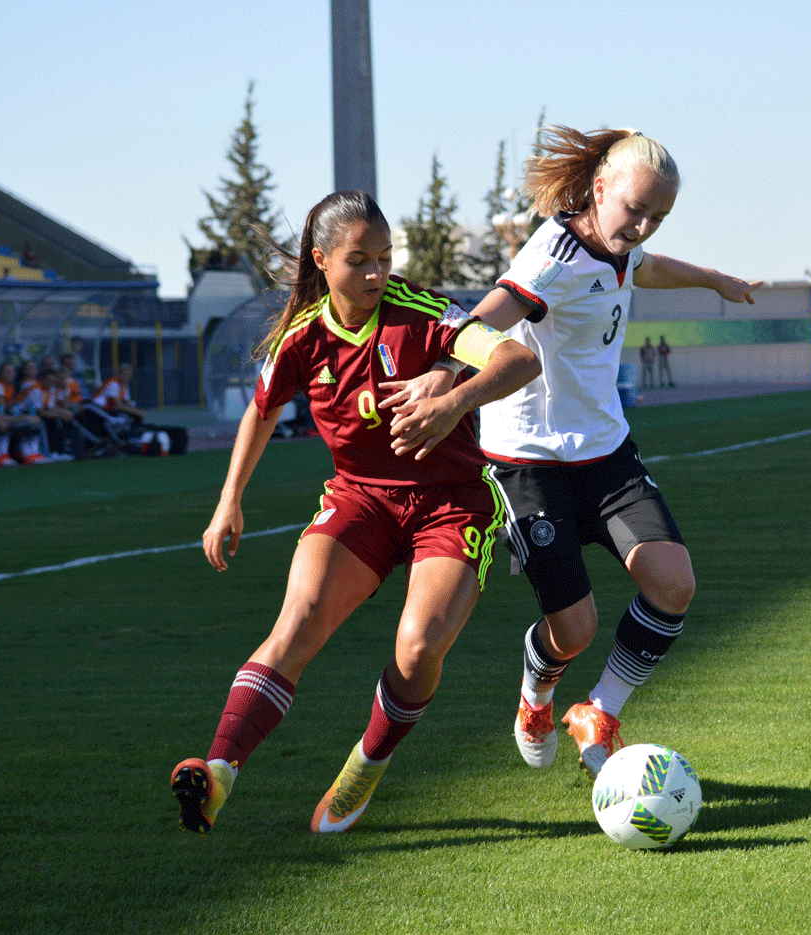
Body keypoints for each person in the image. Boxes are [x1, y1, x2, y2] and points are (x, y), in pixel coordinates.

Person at [169, 190, 539, 836]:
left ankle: (365, 767)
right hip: (360, 499)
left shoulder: (419, 310)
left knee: (419, 644)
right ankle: (220, 772)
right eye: (358, 260)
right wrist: (229, 500)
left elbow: (517, 358)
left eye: (385, 257)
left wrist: (455, 396)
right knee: (297, 623)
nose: (376, 273)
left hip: (452, 504)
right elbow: (262, 408)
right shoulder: (302, 336)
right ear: (322, 261)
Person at [417, 127, 761, 780]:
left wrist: (715, 280)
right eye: (636, 210)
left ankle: (599, 710)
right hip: (527, 465)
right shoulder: (553, 255)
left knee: (673, 584)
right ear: (599, 190)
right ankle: (536, 693)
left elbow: (644, 268)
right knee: (573, 630)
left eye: (658, 217)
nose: (644, 226)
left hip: (606, 456)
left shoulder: (623, 246)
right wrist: (442, 367)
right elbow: (494, 308)